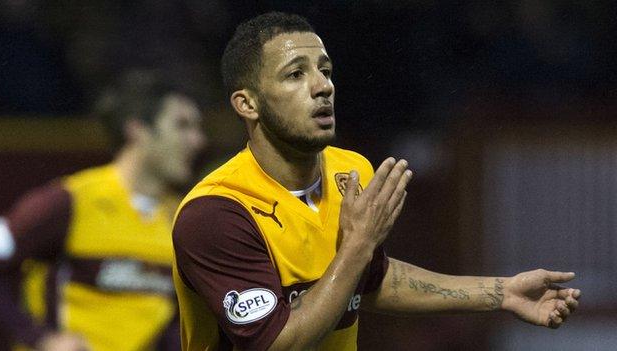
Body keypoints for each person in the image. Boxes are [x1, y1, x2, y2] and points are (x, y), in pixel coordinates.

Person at [171, 12, 581, 351]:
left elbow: (367, 280)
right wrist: (359, 243)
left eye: (325, 70)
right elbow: (280, 342)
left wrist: (500, 293)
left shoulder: (350, 171)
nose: (322, 86)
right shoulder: (216, 212)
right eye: (295, 74)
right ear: (247, 103)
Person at [0, 69, 207, 351]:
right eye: (182, 125)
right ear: (138, 130)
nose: (198, 140)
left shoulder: (184, 219)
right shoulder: (70, 200)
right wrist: (40, 338)